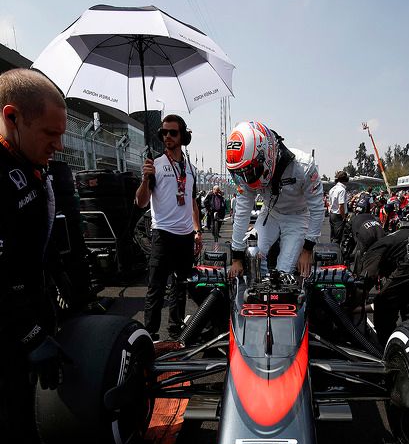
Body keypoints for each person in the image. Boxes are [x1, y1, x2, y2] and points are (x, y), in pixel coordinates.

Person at [0, 68, 67, 444]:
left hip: (32, 313)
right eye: (49, 133)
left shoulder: (31, 164)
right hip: (8, 333)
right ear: (12, 117)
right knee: (17, 440)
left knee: (35, 425)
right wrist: (30, 335)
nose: (58, 144)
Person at [226, 121, 324, 278]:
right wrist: (236, 257)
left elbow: (317, 209)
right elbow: (241, 213)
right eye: (239, 172)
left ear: (267, 154)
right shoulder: (247, 172)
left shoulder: (304, 166)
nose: (245, 177)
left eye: (250, 170)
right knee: (252, 259)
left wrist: (307, 250)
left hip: (297, 218)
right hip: (270, 213)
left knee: (284, 272)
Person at [136, 114, 202, 341]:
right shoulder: (154, 164)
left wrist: (197, 230)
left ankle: (175, 332)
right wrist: (145, 179)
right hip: (162, 234)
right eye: (164, 133)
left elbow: (192, 201)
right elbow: (141, 202)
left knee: (180, 286)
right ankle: (151, 335)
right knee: (156, 287)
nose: (167, 137)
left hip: (185, 236)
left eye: (172, 133)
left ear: (182, 136)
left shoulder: (190, 168)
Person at [328, 170, 348, 243]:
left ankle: (331, 251)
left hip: (332, 214)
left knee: (332, 237)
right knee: (337, 238)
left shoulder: (332, 189)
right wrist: (344, 218)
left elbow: (329, 203)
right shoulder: (342, 190)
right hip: (339, 216)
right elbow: (341, 206)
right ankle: (336, 253)